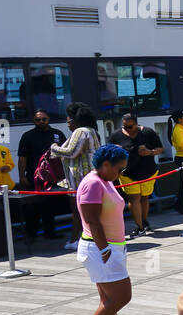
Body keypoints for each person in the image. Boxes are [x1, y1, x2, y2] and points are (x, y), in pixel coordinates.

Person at [68, 144, 143, 315]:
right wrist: (105, 249)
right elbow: (91, 219)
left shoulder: (104, 180)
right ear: (106, 164)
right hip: (100, 248)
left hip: (108, 247)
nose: (120, 174)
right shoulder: (92, 183)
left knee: (108, 300)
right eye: (119, 169)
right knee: (122, 296)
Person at [52, 103, 101, 248]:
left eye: (68, 121)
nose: (67, 125)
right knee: (89, 211)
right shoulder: (91, 130)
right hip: (91, 177)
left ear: (75, 120)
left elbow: (71, 152)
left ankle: (76, 240)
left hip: (81, 179)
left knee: (78, 211)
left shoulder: (80, 131)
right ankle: (87, 238)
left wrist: (54, 148)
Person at [110, 111, 164, 238]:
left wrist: (150, 152)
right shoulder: (116, 135)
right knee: (133, 198)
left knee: (144, 198)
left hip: (148, 171)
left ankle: (144, 222)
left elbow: (160, 148)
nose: (128, 129)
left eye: (130, 126)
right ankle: (139, 226)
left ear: (137, 124)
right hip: (127, 173)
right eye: (125, 127)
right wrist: (116, 150)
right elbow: (110, 152)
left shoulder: (148, 132)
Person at [14, 111, 64, 240]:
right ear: (34, 121)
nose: (41, 121)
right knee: (32, 208)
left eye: (44, 119)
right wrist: (21, 176)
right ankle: (31, 234)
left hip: (52, 178)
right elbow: (22, 158)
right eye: (38, 120)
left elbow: (65, 155)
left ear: (49, 119)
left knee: (50, 206)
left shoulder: (57, 134)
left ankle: (50, 233)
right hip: (33, 177)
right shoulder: (27, 136)